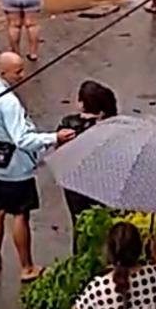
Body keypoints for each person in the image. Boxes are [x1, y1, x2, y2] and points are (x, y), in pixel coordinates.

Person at [0, 51, 74, 280]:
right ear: (3, 72)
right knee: (20, 215)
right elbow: (22, 139)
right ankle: (27, 267)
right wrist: (54, 138)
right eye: (17, 71)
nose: (22, 75)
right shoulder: (9, 102)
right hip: (15, 167)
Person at [59, 80, 118, 241]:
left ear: (82, 103)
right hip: (103, 183)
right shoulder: (113, 126)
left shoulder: (68, 125)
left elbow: (60, 152)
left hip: (75, 184)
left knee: (80, 225)